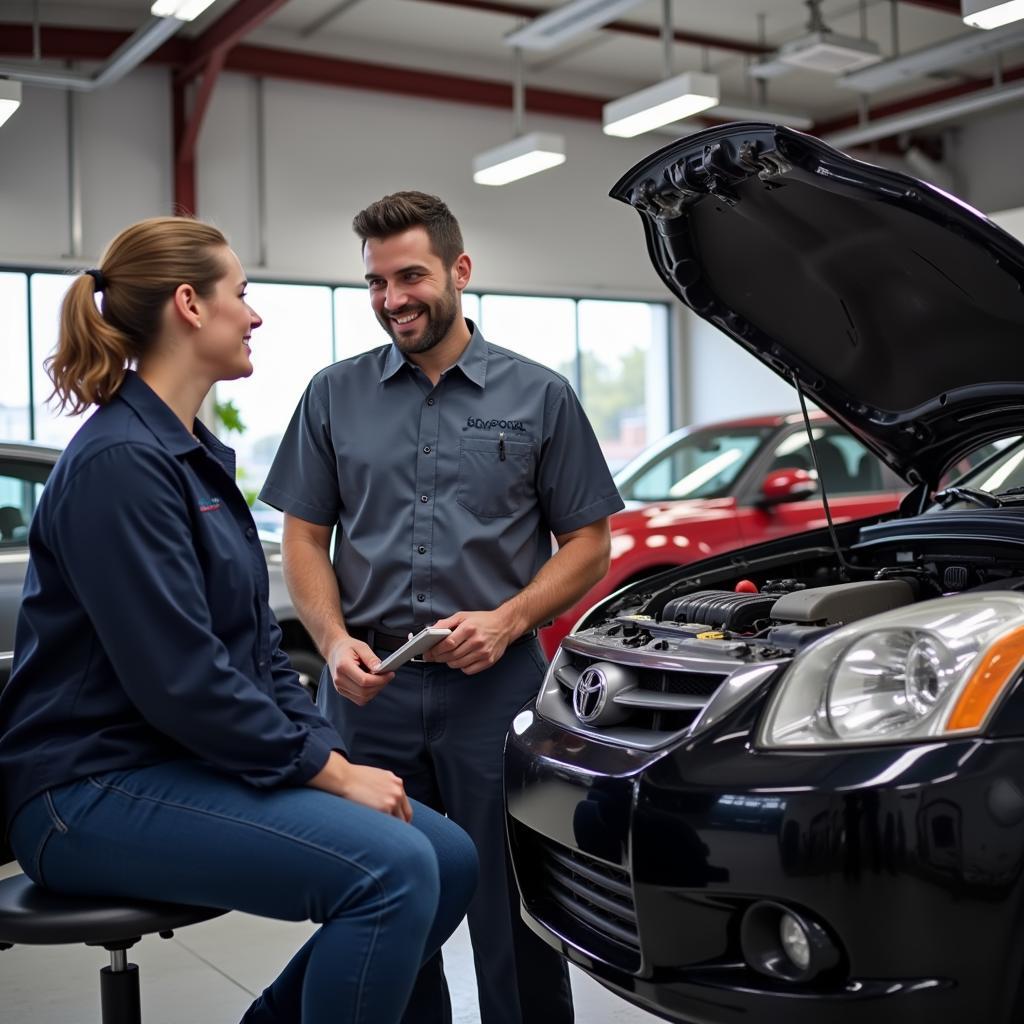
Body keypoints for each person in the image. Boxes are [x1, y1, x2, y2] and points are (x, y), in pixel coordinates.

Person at [0, 216, 478, 1024]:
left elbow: (254, 656)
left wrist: (325, 754)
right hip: (83, 792)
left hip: (172, 762)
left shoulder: (195, 457)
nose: (254, 315)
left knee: (449, 855)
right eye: (242, 294)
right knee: (392, 870)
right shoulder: (120, 463)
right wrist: (331, 774)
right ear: (190, 304)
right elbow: (184, 682)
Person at [259, 191, 625, 1024]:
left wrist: (507, 620)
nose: (393, 300)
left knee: (510, 908)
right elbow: (305, 539)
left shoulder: (540, 396)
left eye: (410, 276)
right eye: (376, 283)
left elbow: (589, 546)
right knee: (390, 904)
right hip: (368, 692)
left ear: (460, 271)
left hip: (494, 693)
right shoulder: (331, 396)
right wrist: (331, 638)